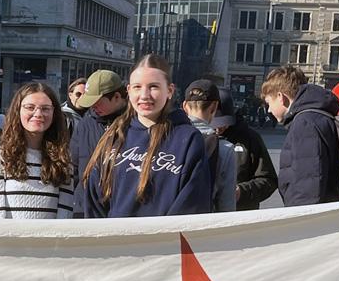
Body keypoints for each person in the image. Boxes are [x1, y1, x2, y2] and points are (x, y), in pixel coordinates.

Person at [84, 55, 211, 218]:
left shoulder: (188, 139)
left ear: (170, 91)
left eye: (154, 87)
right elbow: (94, 203)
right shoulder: (113, 137)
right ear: (128, 91)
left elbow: (193, 205)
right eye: (137, 87)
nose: (144, 95)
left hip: (163, 240)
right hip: (116, 240)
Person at [0, 82, 73, 219]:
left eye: (45, 109)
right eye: (30, 107)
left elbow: (64, 215)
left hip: (49, 239)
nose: (38, 114)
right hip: (10, 239)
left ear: (54, 113)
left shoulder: (63, 159)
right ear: (18, 110)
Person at [261, 65, 339, 207]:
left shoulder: (305, 123)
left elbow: (308, 184)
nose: (269, 110)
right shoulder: (317, 115)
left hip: (309, 216)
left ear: (281, 97)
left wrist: (299, 221)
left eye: (269, 103)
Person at [69, 70, 128, 217]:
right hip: (84, 209)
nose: (92, 107)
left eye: (97, 102)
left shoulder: (135, 125)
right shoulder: (85, 125)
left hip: (121, 210)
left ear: (117, 97)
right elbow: (72, 169)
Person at [214, 89, 278, 211]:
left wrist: (241, 192)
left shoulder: (250, 138)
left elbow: (269, 180)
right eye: (215, 122)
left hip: (240, 214)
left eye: (224, 122)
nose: (218, 128)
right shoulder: (197, 137)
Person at [181, 80, 237, 213]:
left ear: (184, 106)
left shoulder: (168, 138)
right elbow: (226, 203)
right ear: (214, 107)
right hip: (202, 220)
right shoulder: (225, 149)